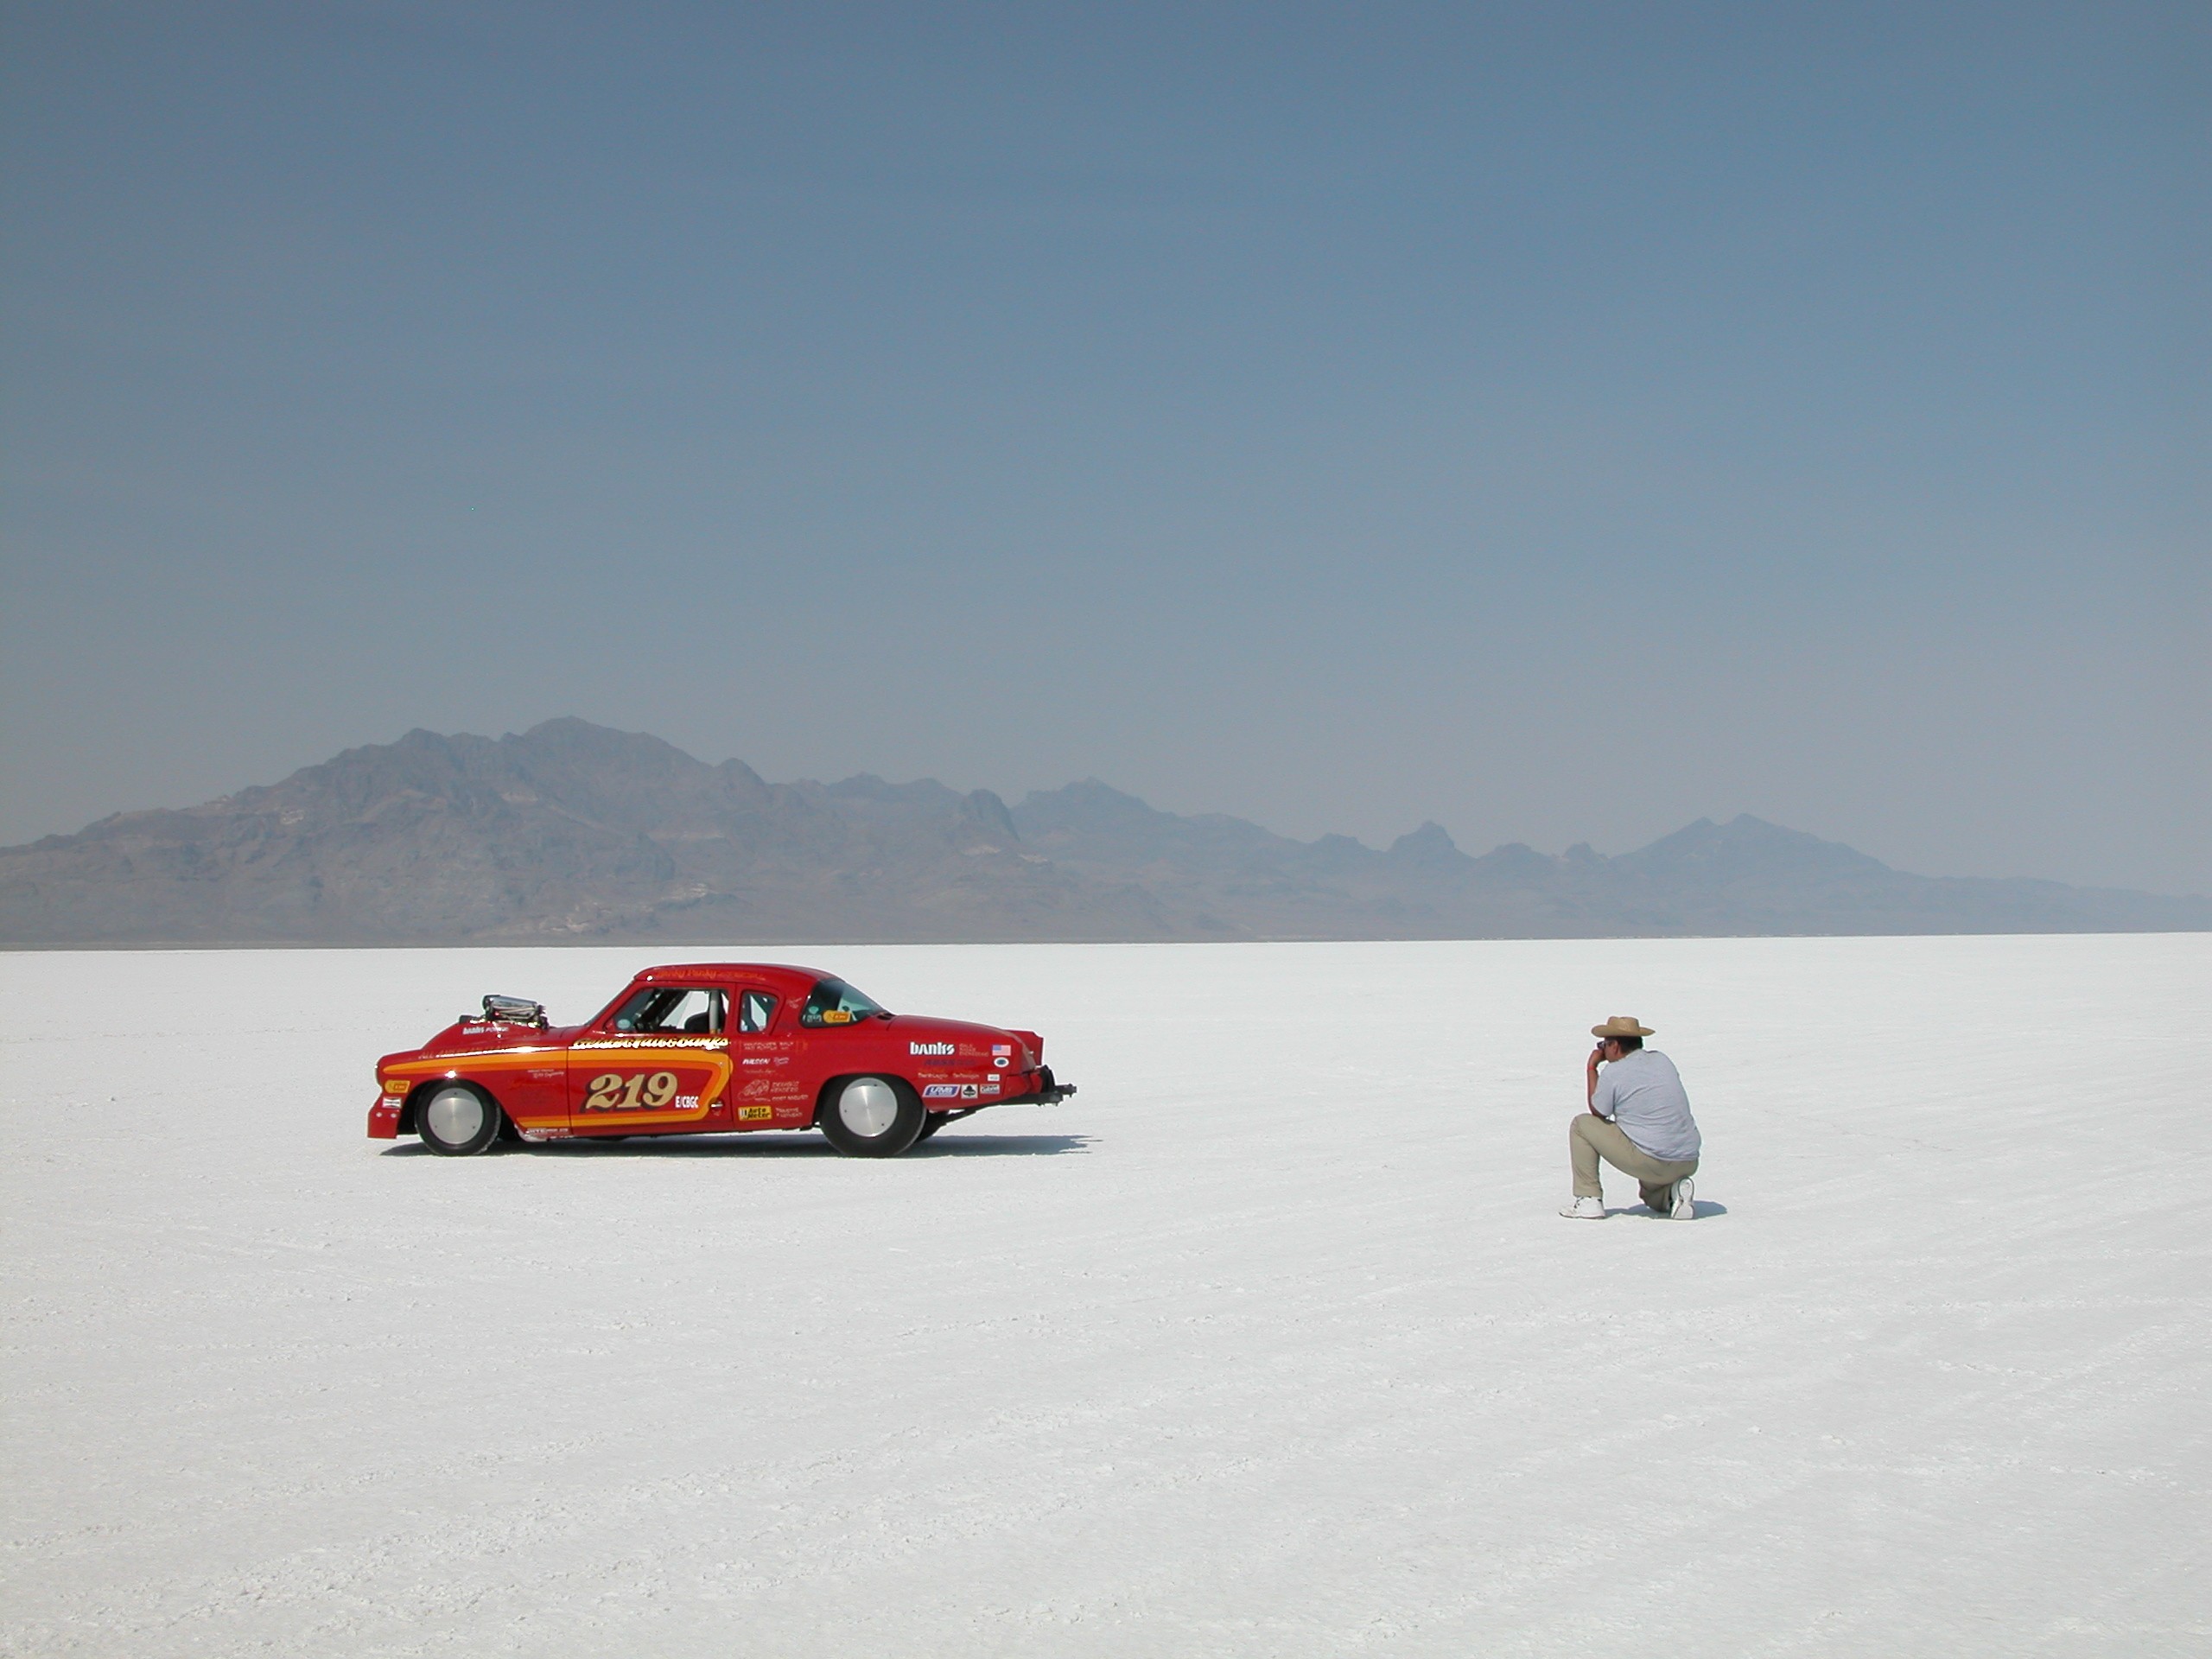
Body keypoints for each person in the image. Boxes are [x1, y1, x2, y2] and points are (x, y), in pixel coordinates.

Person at [1559, 1016, 1700, 1220]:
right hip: (1688, 1160)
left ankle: (1588, 1199)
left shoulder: (1614, 1071)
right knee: (1649, 1194)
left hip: (1654, 1160)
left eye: (1604, 1045)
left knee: (1581, 1125)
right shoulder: (1662, 1059)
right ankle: (1674, 1193)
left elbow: (1598, 1111)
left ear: (1615, 1046)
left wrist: (1592, 1068)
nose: (1602, 1051)